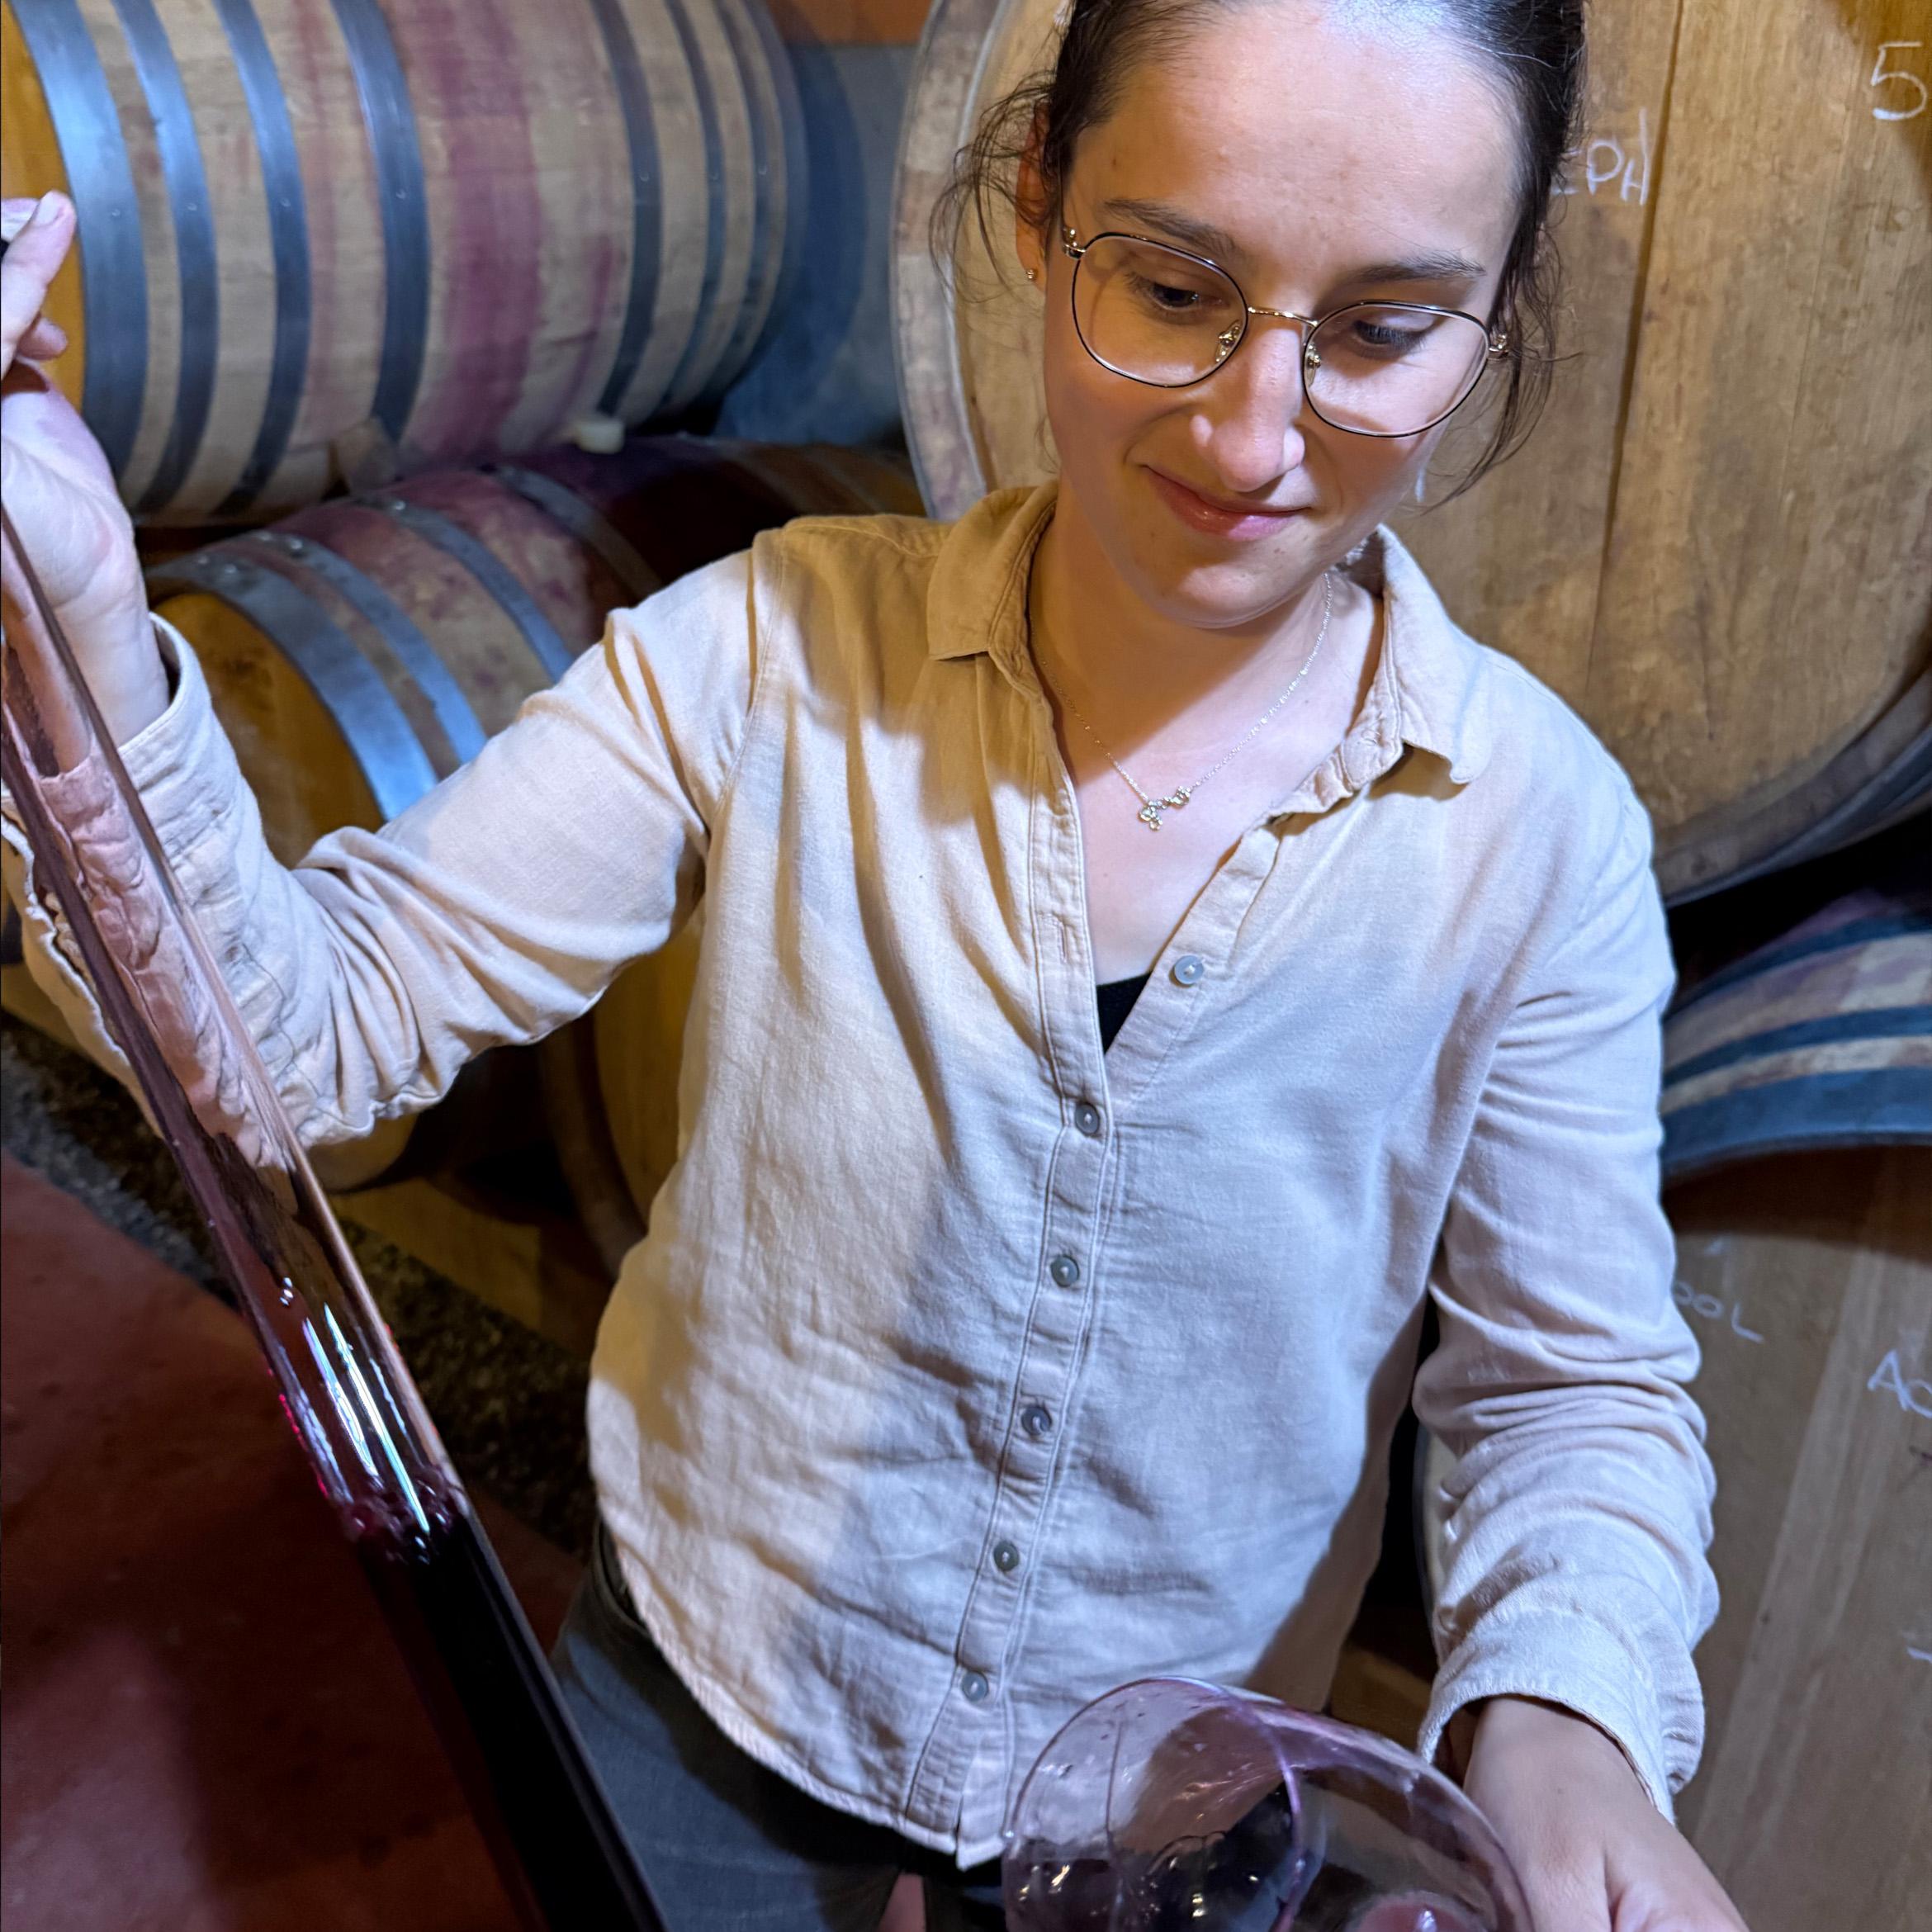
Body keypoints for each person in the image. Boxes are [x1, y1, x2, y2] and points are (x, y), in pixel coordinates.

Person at [1, 2, 1752, 1925]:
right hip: (708, 1710)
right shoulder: (773, 651)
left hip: (1165, 1821)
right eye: (1171, 289)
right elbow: (292, 1044)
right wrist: (81, 618)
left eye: (1383, 329)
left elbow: (1564, 1384)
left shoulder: (1540, 835)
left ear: (1493, 317)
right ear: (1034, 206)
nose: (1256, 433)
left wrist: (1565, 1706)